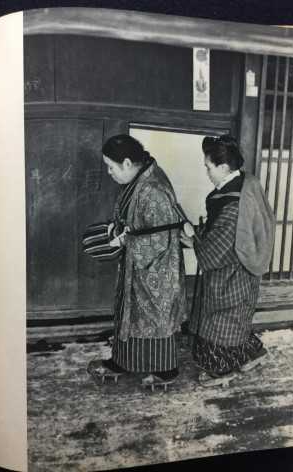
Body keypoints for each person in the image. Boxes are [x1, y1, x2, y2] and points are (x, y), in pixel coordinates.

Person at [88, 134, 187, 390]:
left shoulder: (153, 190)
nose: (110, 172)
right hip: (137, 263)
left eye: (112, 166)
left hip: (155, 268)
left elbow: (161, 238)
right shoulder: (141, 178)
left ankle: (167, 370)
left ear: (129, 163)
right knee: (130, 315)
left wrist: (123, 242)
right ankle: (123, 361)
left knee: (154, 317)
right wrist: (117, 231)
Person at [180, 135, 275, 384]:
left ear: (223, 168)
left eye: (208, 167)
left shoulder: (232, 206)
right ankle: (251, 353)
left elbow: (212, 254)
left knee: (219, 323)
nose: (207, 172)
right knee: (237, 321)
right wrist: (200, 236)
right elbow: (222, 236)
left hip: (231, 276)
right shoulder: (247, 183)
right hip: (244, 268)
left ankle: (221, 370)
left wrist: (193, 240)